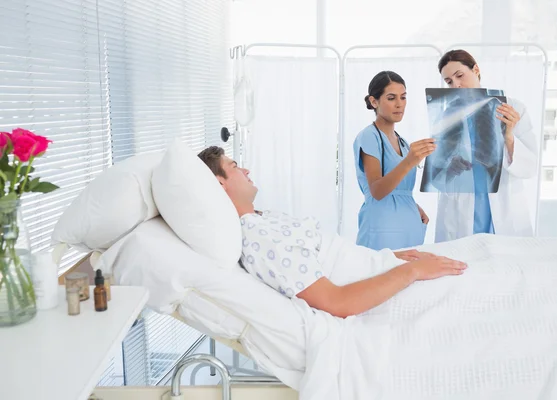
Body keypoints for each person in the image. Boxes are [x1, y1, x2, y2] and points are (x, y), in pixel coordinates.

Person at [198, 146, 467, 318]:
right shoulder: (259, 238)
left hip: (383, 267)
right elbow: (337, 302)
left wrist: (391, 258)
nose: (245, 170)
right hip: (391, 286)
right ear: (220, 183)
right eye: (234, 166)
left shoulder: (262, 218)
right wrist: (413, 271)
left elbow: (332, 258)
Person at [434, 49, 538, 242]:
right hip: (462, 209)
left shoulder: (512, 108)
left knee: (506, 263)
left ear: (476, 70)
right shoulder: (446, 117)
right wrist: (451, 168)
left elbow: (530, 166)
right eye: (449, 82)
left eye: (460, 75)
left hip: (503, 203)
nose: (456, 84)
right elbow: (437, 175)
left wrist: (509, 136)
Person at [353, 71, 436, 251]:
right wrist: (409, 161)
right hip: (383, 232)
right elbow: (377, 190)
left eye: (403, 97)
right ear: (374, 101)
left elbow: (399, 189)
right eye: (391, 98)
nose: (399, 104)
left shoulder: (403, 143)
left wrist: (413, 206)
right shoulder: (370, 136)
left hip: (409, 230)